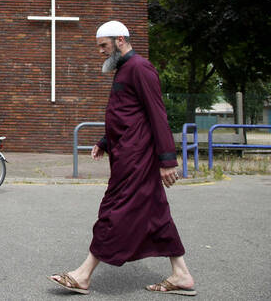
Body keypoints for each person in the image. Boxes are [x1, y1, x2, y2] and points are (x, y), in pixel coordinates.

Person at [48, 20, 196, 296]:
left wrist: (167, 160)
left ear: (120, 40)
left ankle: (83, 274)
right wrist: (105, 142)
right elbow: (126, 115)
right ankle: (181, 274)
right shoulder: (124, 70)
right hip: (127, 154)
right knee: (157, 213)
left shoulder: (140, 68)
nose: (100, 51)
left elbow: (157, 115)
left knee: (113, 211)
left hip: (136, 159)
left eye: (103, 45)